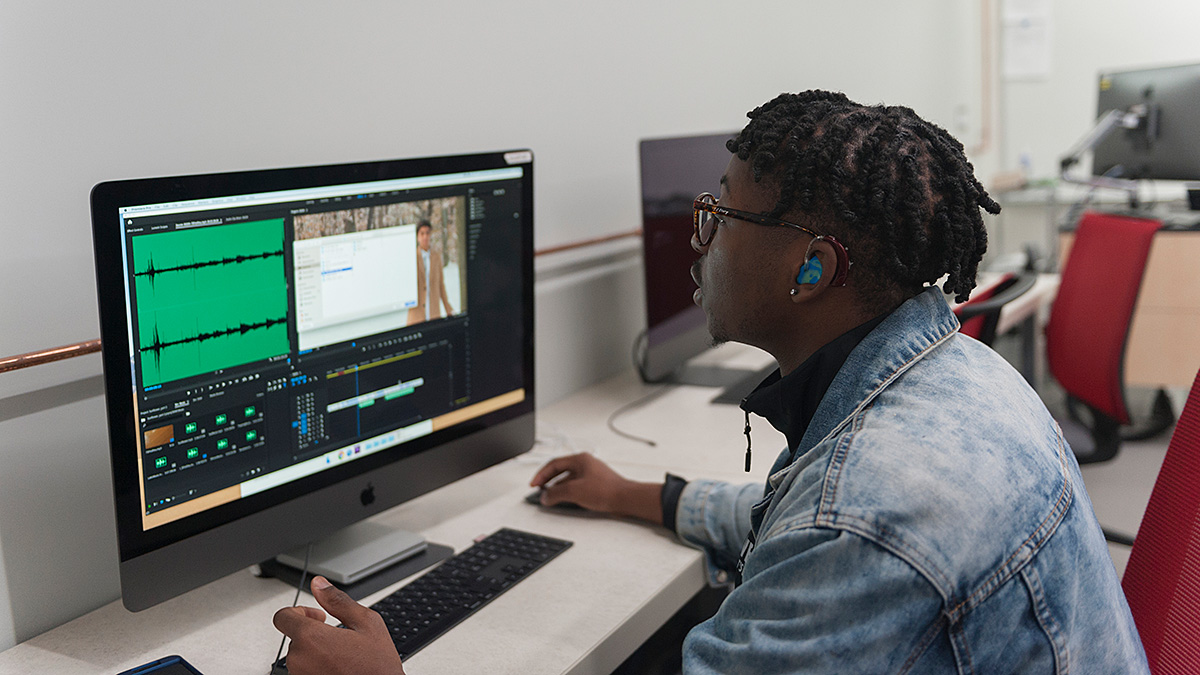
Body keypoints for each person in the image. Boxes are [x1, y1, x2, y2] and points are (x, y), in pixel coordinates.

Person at [274, 91, 1149, 673]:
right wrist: (652, 495)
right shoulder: (942, 372)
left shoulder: (873, 510)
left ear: (813, 268)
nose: (698, 238)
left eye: (721, 213)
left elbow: (839, 533)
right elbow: (800, 531)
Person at [407, 219, 454, 325]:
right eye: (422, 233)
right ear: (417, 237)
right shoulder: (411, 257)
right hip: (416, 316)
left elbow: (441, 285)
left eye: (427, 233)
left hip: (433, 313)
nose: (425, 236)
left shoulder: (436, 257)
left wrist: (448, 308)